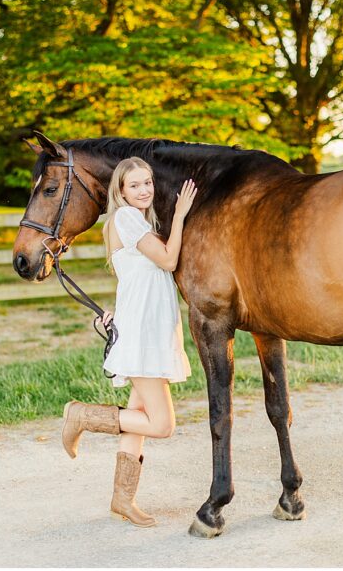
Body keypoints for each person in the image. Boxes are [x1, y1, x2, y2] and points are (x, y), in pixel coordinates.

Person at [61, 156, 197, 527]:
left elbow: (137, 281)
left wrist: (117, 313)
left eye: (148, 183)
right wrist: (182, 213)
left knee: (139, 423)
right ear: (121, 191)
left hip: (148, 329)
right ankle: (82, 416)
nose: (144, 190)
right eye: (135, 185)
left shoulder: (139, 221)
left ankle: (123, 499)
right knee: (161, 425)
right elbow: (168, 261)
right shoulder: (125, 218)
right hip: (143, 338)